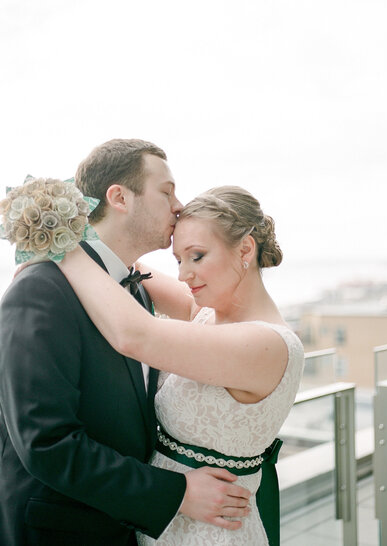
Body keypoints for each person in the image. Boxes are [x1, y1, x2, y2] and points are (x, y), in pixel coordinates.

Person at [0, 140, 251, 546]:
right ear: (119, 197)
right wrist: (177, 491)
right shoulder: (40, 289)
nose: (178, 205)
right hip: (57, 531)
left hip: (120, 528)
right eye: (166, 191)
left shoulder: (133, 291)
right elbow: (46, 443)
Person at [55, 185, 305, 545]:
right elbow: (129, 264)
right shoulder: (204, 314)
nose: (185, 274)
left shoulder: (267, 344)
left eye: (197, 256)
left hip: (211, 533)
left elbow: (134, 335)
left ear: (245, 249)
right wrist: (87, 220)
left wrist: (59, 246)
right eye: (178, 260)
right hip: (165, 520)